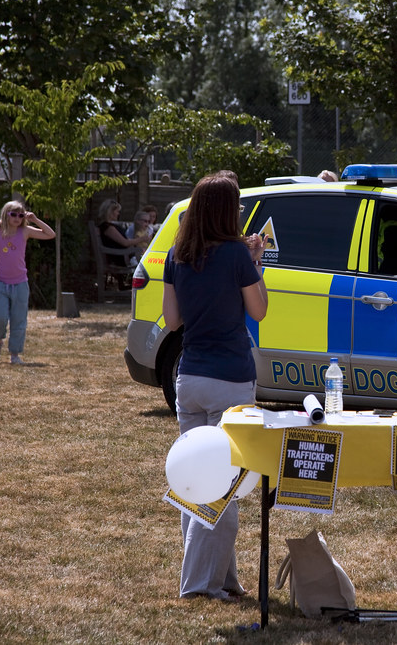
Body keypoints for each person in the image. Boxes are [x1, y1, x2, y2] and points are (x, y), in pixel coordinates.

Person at [162, 172, 268, 602]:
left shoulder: (176, 254)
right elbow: (258, 311)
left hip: (190, 377)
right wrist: (255, 265)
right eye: (238, 205)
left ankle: (224, 578)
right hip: (230, 380)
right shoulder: (237, 255)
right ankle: (199, 585)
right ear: (228, 210)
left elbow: (172, 321)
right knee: (222, 487)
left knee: (194, 478)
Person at [0, 201, 56, 364]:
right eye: (13, 214)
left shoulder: (24, 231)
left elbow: (50, 234)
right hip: (0, 284)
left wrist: (35, 220)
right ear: (6, 215)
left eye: (21, 215)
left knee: (19, 320)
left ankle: (15, 354)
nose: (17, 218)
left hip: (20, 284)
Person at [97, 199, 150, 266]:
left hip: (124, 255)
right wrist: (142, 239)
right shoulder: (108, 228)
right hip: (120, 258)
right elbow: (125, 243)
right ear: (110, 212)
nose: (118, 214)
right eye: (117, 211)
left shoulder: (109, 226)